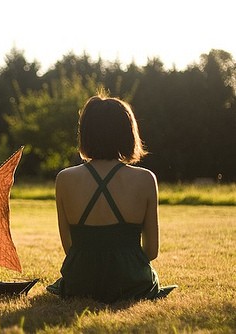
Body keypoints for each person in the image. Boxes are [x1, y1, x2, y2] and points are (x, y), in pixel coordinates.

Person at [46, 93, 177, 303]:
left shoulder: (64, 179)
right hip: (132, 282)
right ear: (128, 133)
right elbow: (151, 252)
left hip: (80, 281)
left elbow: (69, 249)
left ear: (85, 134)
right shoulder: (145, 179)